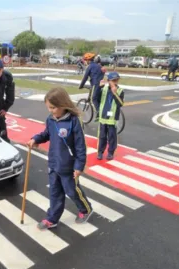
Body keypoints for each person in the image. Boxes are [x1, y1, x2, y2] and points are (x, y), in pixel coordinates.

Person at [27, 87, 93, 230]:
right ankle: (52, 218)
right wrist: (36, 139)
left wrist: (79, 166)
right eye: (48, 107)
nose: (51, 111)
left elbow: (80, 146)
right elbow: (46, 133)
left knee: (72, 191)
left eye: (53, 107)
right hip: (54, 163)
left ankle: (86, 209)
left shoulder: (74, 121)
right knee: (54, 192)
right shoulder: (50, 119)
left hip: (69, 166)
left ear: (63, 105)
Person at [93, 72, 124, 160]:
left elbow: (120, 104)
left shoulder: (120, 91)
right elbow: (95, 98)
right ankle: (100, 152)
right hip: (103, 118)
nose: (115, 82)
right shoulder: (104, 89)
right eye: (113, 80)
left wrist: (115, 94)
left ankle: (110, 152)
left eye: (116, 80)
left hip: (112, 118)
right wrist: (99, 87)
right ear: (108, 81)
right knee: (102, 136)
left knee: (112, 136)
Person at [78, 53, 106, 119]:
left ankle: (99, 113)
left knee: (93, 99)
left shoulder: (90, 67)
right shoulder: (99, 66)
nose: (84, 62)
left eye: (85, 60)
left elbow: (85, 78)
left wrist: (81, 86)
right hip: (102, 84)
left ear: (88, 60)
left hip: (95, 84)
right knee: (98, 99)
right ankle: (102, 111)